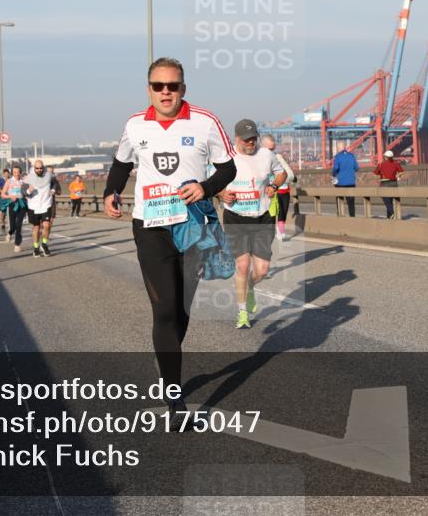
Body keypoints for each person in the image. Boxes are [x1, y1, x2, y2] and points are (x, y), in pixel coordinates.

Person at [103, 57, 236, 423]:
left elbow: (229, 167)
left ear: (183, 89)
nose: (166, 92)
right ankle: (175, 397)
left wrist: (205, 187)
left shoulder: (205, 122)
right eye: (158, 86)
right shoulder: (135, 125)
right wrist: (111, 191)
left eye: (172, 86)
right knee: (163, 309)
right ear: (149, 89)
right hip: (150, 226)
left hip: (192, 225)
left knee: (181, 309)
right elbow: (121, 163)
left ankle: (167, 359)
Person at [219, 120, 286, 329]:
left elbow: (282, 173)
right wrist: (221, 193)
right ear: (236, 138)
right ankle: (242, 312)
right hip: (235, 217)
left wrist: (274, 185)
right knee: (242, 265)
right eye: (246, 139)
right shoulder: (225, 157)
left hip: (262, 216)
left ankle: (250, 287)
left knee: (262, 270)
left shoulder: (266, 154)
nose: (251, 142)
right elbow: (208, 182)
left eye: (254, 138)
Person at [260, 135, 296, 241]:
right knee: (271, 212)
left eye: (273, 148)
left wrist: (288, 177)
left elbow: (288, 173)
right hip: (269, 191)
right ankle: (269, 231)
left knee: (282, 211)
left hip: (283, 188)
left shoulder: (278, 157)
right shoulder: (259, 159)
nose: (271, 152)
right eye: (269, 149)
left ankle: (280, 230)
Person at [25, 160, 55, 257]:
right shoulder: (29, 177)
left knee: (47, 225)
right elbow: (23, 191)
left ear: (43, 167)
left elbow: (54, 182)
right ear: (34, 168)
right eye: (37, 168)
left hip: (46, 204)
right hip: (34, 206)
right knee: (36, 228)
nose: (39, 170)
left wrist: (53, 189)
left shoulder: (49, 175)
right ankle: (36, 247)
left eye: (41, 168)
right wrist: (28, 191)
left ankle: (44, 244)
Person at [2, 166, 27, 252]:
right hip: (12, 204)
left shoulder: (23, 182)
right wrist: (10, 196)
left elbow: (27, 192)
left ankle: (17, 244)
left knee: (19, 225)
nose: (16, 174)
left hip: (21, 204)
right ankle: (9, 233)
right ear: (12, 172)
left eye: (18, 172)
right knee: (12, 226)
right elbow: (2, 194)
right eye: (14, 172)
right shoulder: (9, 181)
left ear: (20, 172)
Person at [374, 150, 405, 219]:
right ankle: (389, 216)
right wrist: (398, 176)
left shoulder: (381, 164)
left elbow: (375, 173)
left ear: (385, 157)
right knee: (390, 199)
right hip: (394, 183)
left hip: (385, 183)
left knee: (386, 199)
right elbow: (401, 172)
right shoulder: (396, 163)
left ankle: (392, 212)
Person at [331, 144, 359, 217]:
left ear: (338, 148)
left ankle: (340, 216)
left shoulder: (337, 157)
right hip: (351, 183)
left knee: (339, 201)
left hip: (340, 183)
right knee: (351, 202)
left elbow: (336, 168)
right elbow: (356, 168)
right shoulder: (351, 156)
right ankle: (352, 217)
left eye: (337, 148)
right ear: (344, 148)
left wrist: (333, 174)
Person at [0, 168, 11, 240]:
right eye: (5, 174)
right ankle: (3, 223)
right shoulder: (1, 180)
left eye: (7, 173)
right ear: (3, 174)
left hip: (9, 198)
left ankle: (9, 227)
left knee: (9, 213)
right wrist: (3, 191)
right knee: (3, 213)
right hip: (3, 199)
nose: (6, 175)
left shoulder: (10, 180)